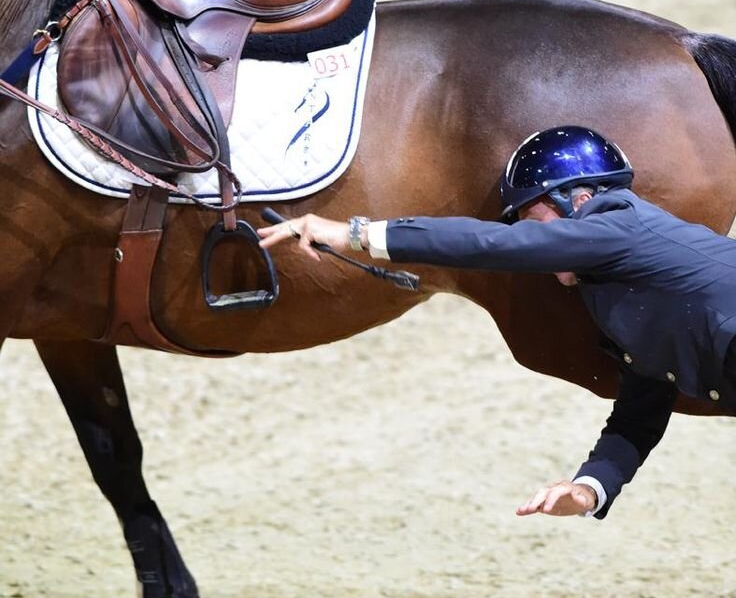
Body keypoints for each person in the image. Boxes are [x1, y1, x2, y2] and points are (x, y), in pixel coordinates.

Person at [258, 125, 736, 522]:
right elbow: (638, 415)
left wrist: (357, 233)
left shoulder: (619, 223)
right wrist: (590, 488)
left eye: (533, 217)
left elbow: (496, 245)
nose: (526, 232)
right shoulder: (615, 305)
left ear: (581, 198)